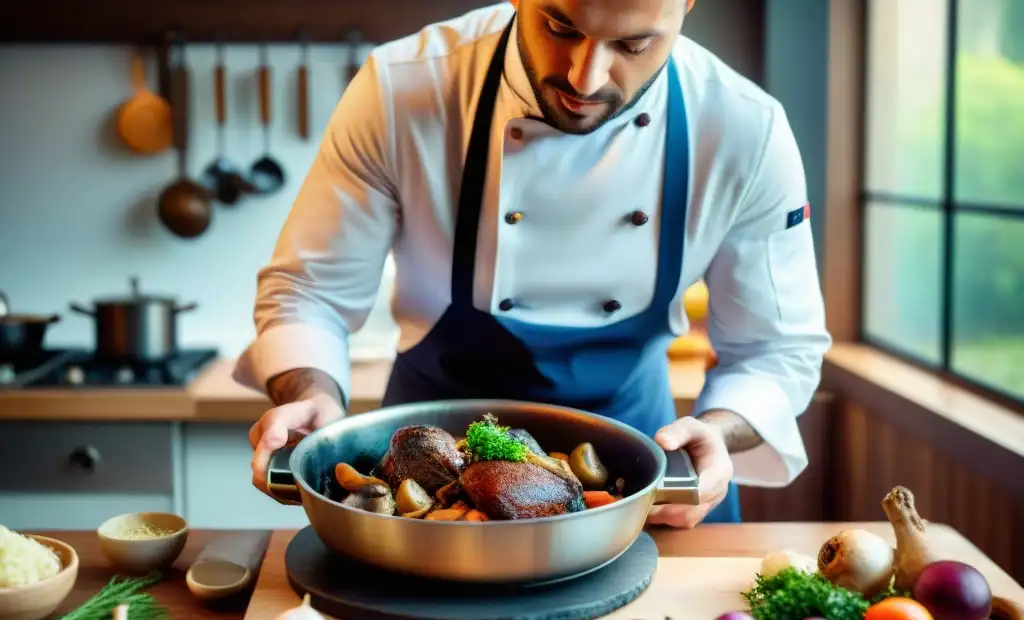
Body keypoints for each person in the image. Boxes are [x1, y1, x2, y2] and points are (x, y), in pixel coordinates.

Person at [235, 0, 831, 528]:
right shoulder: (402, 88)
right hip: (424, 490)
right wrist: (310, 388)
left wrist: (720, 429)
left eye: (632, 44)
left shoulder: (743, 128)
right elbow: (307, 290)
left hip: (639, 475)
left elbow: (776, 350)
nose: (585, 77)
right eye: (560, 26)